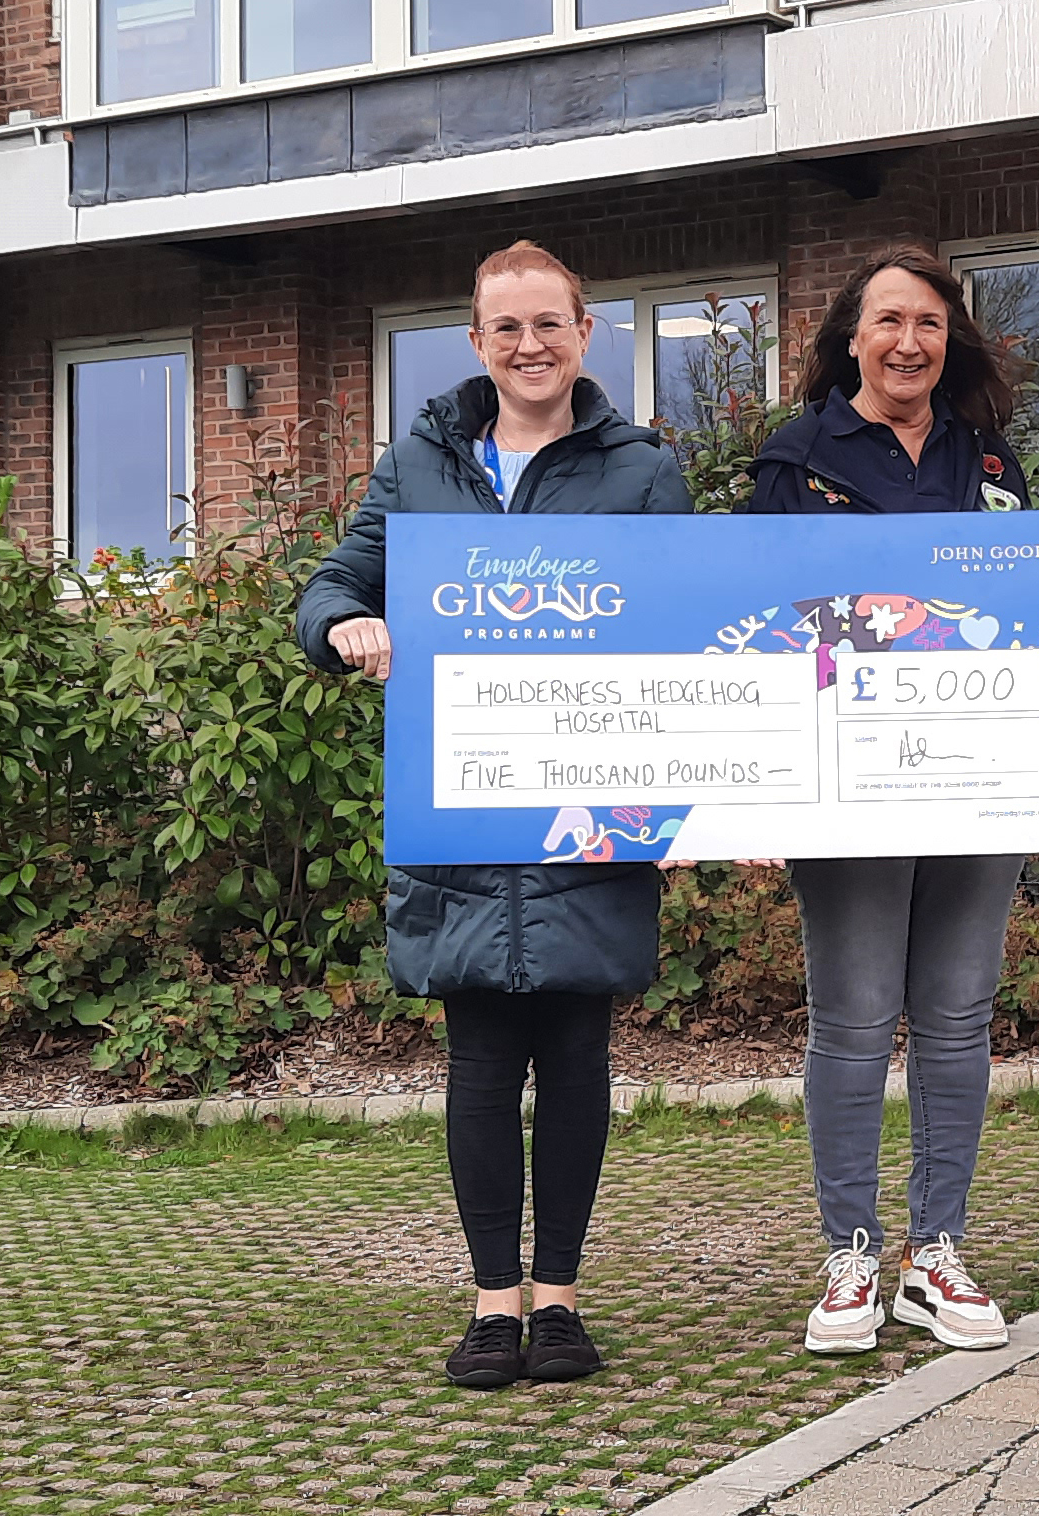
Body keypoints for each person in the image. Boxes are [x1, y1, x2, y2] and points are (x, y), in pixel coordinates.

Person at [296, 240, 691, 1389]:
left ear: (585, 331)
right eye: (505, 328)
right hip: (461, 800)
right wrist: (342, 628)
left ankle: (559, 1299)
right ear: (476, 341)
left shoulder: (640, 469)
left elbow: (688, 627)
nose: (529, 346)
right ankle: (489, 1304)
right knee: (478, 1064)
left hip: (591, 802)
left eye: (548, 325)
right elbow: (334, 582)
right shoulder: (420, 463)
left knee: (575, 1056)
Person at [744, 245, 1032, 1355]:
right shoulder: (796, 458)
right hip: (841, 786)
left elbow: (1016, 603)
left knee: (958, 1021)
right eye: (887, 322)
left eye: (927, 321)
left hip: (973, 779)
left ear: (948, 335)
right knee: (855, 1023)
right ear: (850, 338)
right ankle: (851, 1255)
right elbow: (764, 625)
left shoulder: (991, 459)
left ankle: (937, 1251)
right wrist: (763, 790)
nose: (909, 341)